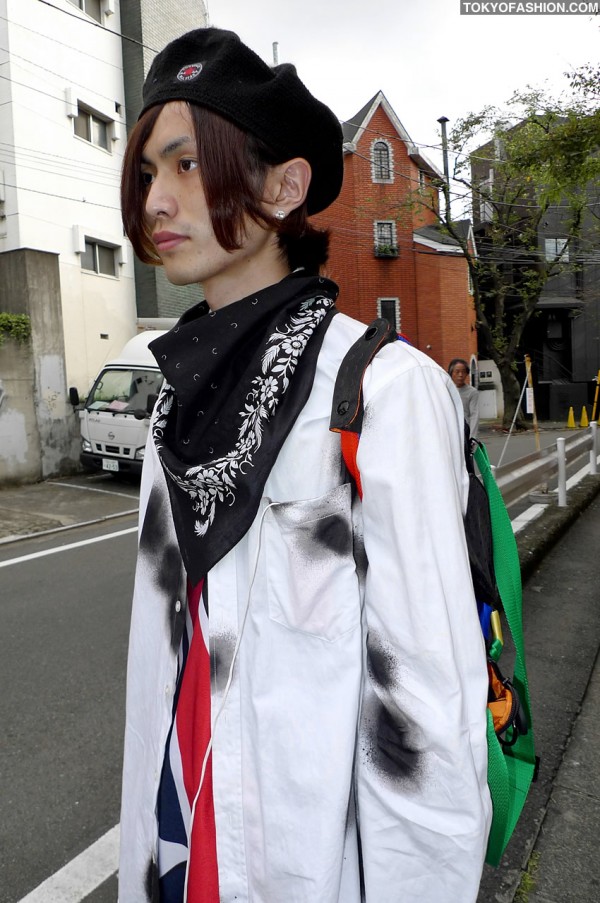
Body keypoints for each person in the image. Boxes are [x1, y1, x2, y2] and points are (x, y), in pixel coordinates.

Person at [118, 27, 491, 903]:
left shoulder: (381, 389)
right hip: (184, 837)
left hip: (310, 862)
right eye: (145, 173)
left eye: (186, 164)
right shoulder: (175, 402)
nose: (157, 201)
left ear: (285, 187)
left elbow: (428, 715)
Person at [448, 357, 480, 440]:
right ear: (451, 373)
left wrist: (472, 437)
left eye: (463, 372)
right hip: (449, 432)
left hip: (465, 432)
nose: (460, 375)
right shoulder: (445, 390)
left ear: (467, 374)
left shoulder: (472, 392)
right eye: (457, 372)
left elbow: (474, 415)